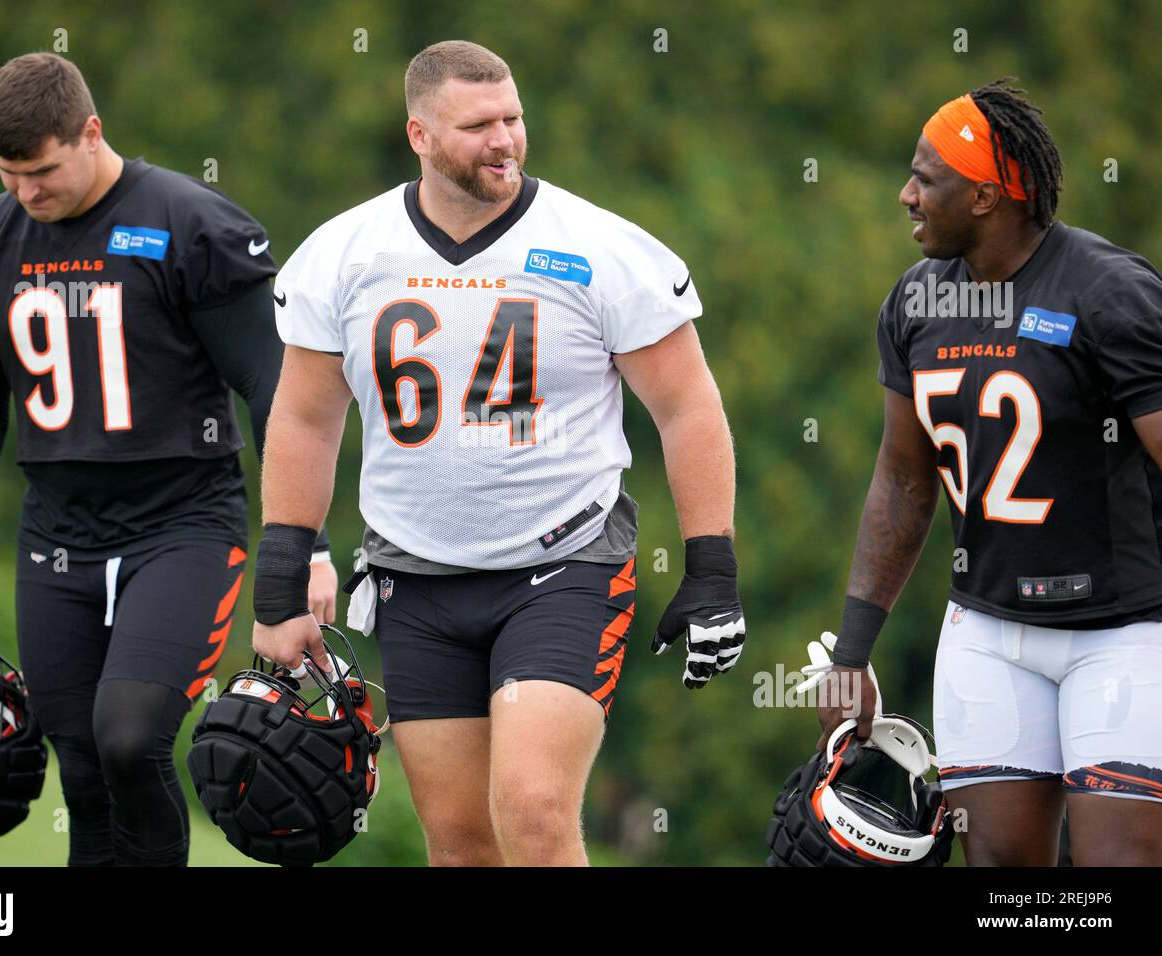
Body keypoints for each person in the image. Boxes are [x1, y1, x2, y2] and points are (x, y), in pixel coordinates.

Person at [251, 40, 745, 866]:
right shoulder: (347, 251)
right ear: (419, 134)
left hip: (562, 565)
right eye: (478, 125)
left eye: (513, 118)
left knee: (535, 810)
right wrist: (279, 585)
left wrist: (712, 568)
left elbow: (688, 405)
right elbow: (304, 418)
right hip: (415, 574)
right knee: (460, 844)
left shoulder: (599, 247)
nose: (505, 140)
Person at [0, 52, 337, 866]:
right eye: (8, 175)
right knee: (80, 765)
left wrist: (305, 544)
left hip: (183, 524)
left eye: (41, 171)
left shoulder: (189, 222)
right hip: (57, 531)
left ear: (92, 132)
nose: (27, 194)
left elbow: (274, 386)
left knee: (130, 735)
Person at [817, 80, 1162, 866]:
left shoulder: (1109, 293)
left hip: (1125, 630)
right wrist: (851, 653)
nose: (906, 195)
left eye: (925, 179)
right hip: (987, 631)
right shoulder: (916, 303)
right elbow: (904, 481)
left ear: (984, 196)